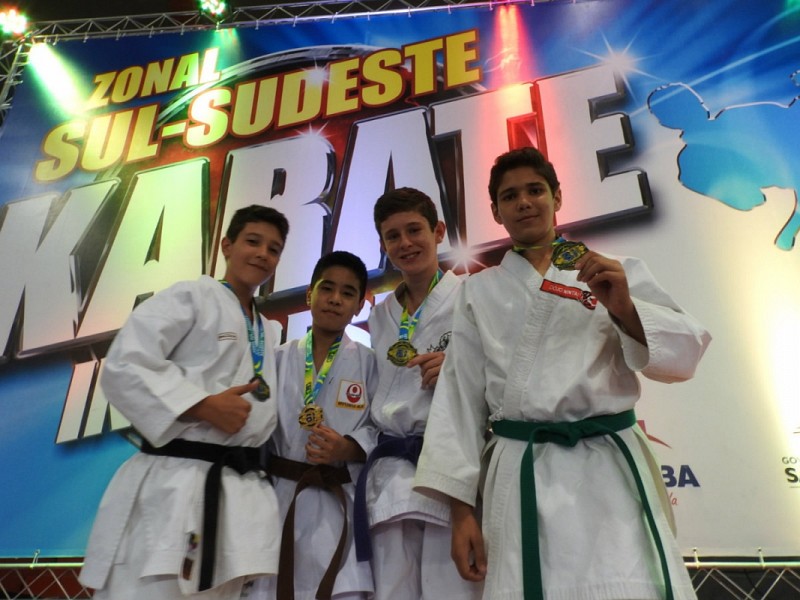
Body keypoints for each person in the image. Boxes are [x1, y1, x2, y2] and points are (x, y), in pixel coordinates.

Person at [413, 147, 712, 600]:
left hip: (608, 468)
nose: (524, 202)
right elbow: (458, 400)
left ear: (557, 197)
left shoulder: (613, 270)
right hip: (522, 468)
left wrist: (624, 307)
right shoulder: (478, 291)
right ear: (495, 211)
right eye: (510, 196)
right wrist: (461, 512)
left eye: (535, 190)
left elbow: (685, 353)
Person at [79, 204, 290, 600]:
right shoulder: (191, 296)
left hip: (237, 489)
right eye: (253, 241)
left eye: (274, 249)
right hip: (174, 482)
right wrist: (200, 405)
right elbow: (125, 364)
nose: (263, 254)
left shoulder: (268, 329)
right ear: (227, 246)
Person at [352, 187, 483, 600]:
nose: (405, 243)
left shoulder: (472, 296)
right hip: (392, 471)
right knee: (392, 590)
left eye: (414, 230)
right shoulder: (380, 315)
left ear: (438, 231)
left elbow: (504, 375)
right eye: (393, 236)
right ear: (382, 245)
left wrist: (459, 369)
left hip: (450, 462)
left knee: (454, 588)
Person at [253, 250, 378, 600]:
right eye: (327, 288)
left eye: (348, 293)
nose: (335, 299)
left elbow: (382, 426)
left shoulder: (369, 363)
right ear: (310, 295)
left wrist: (349, 447)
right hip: (281, 498)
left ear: (360, 306)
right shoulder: (277, 359)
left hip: (338, 503)